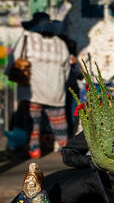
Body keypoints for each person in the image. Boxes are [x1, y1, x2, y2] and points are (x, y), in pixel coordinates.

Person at [7, 12, 70, 159]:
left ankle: (34, 150)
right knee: (58, 122)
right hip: (55, 89)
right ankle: (64, 149)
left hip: (32, 89)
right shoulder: (60, 44)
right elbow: (66, 70)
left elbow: (14, 62)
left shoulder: (26, 39)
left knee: (32, 122)